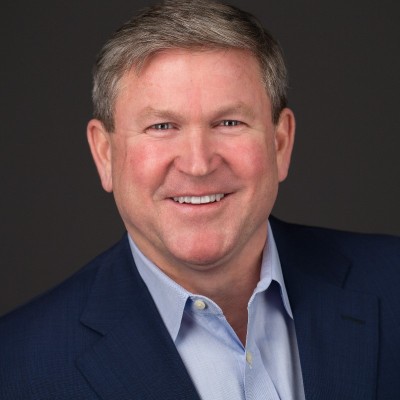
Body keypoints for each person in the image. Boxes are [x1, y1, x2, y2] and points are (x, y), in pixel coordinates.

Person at [1, 0, 399, 398]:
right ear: (105, 154)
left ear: (280, 143)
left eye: (229, 122)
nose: (198, 164)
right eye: (162, 126)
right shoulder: (17, 368)